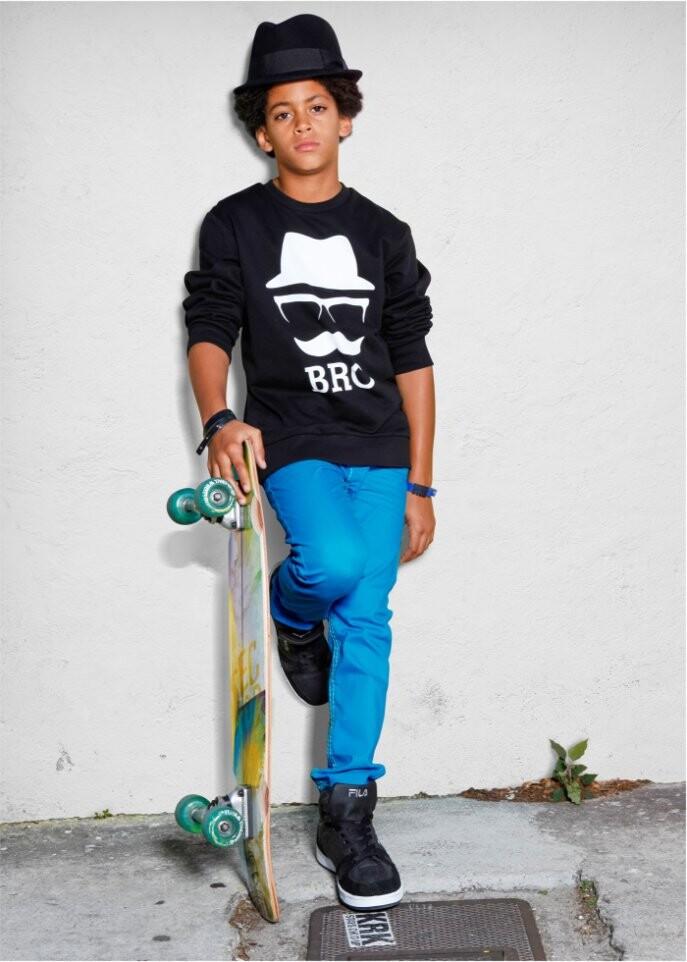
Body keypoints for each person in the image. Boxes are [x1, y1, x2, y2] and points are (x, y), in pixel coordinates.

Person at [182, 13, 437, 912]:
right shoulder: (236, 224)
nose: (302, 124)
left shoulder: (383, 232)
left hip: (380, 445)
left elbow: (413, 359)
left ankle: (348, 811)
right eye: (282, 112)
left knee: (367, 616)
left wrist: (421, 482)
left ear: (345, 118)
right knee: (327, 566)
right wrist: (220, 417)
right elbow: (209, 326)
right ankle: (294, 618)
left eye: (317, 106)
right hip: (288, 436)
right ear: (263, 133)